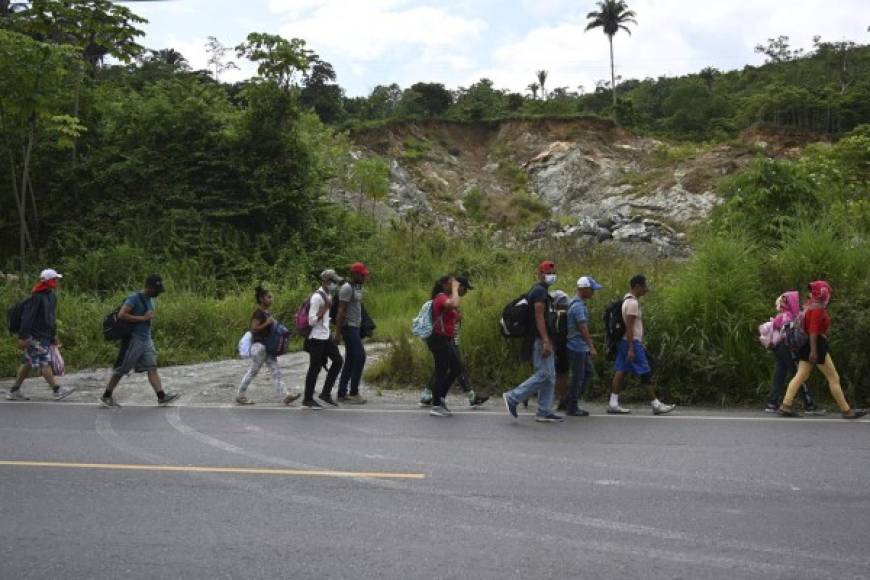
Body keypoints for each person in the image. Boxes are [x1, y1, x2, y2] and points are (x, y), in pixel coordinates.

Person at [778, 281, 866, 420]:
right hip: (815, 345)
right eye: (827, 292)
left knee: (801, 376)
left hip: (806, 345)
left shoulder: (809, 305)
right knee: (833, 377)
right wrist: (814, 351)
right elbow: (813, 330)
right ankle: (847, 411)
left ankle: (785, 406)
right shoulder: (817, 308)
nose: (829, 295)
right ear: (824, 293)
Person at [99, 274, 180, 408]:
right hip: (133, 340)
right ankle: (106, 395)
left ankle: (161, 396)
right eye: (156, 290)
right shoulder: (134, 298)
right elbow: (122, 315)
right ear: (149, 287)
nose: (158, 293)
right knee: (121, 369)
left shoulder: (150, 299)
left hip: (146, 340)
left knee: (152, 367)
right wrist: (143, 318)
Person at [502, 261, 564, 423]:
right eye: (548, 273)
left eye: (553, 272)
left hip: (544, 338)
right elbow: (539, 317)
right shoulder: (538, 292)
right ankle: (513, 397)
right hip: (538, 338)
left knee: (550, 376)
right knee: (544, 374)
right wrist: (545, 340)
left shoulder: (543, 291)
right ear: (540, 274)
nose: (551, 275)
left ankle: (544, 411)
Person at [607, 274, 675, 415]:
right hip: (631, 343)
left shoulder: (626, 301)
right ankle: (656, 404)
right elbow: (630, 327)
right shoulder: (632, 303)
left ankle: (613, 403)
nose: (646, 289)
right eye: (645, 286)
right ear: (637, 286)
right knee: (645, 371)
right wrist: (632, 347)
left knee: (621, 371)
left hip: (624, 342)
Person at [418, 276, 489, 408]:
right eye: (453, 284)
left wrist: (456, 317)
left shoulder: (446, 297)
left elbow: (449, 316)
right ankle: (437, 403)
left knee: (454, 368)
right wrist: (455, 289)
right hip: (439, 339)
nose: (463, 290)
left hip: (445, 339)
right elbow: (454, 304)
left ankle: (438, 399)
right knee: (442, 372)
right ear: (446, 285)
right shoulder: (441, 297)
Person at [6, 268, 75, 401]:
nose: (56, 282)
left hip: (45, 335)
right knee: (45, 363)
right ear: (48, 281)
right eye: (54, 279)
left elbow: (51, 318)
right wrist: (23, 337)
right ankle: (57, 390)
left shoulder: (51, 297)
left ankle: (14, 391)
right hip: (34, 337)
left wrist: (53, 334)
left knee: (28, 362)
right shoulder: (36, 297)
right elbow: (27, 318)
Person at [235, 285, 301, 406]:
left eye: (271, 297)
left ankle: (286, 396)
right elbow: (253, 329)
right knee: (253, 371)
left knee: (276, 371)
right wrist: (266, 323)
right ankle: (240, 395)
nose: (271, 299)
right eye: (268, 297)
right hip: (259, 347)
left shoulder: (266, 313)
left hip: (267, 348)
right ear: (261, 299)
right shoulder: (259, 313)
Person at [763, 291, 820, 414]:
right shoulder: (789, 317)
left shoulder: (781, 315)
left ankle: (772, 403)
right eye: (796, 300)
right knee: (798, 374)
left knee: (780, 374)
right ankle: (808, 404)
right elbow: (791, 336)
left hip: (777, 348)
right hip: (787, 348)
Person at [302, 270, 345, 410]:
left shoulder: (328, 295)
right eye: (333, 282)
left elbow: (326, 319)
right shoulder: (317, 297)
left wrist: (330, 331)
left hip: (325, 337)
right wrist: (325, 308)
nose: (335, 285)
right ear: (325, 281)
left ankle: (325, 393)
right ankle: (307, 399)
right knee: (315, 368)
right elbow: (311, 320)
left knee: (338, 361)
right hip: (315, 338)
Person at [562, 276, 602, 417]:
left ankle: (568, 401)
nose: (593, 292)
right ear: (584, 289)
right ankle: (572, 407)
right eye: (592, 289)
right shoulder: (578, 306)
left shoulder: (575, 302)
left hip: (578, 346)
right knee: (578, 377)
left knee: (587, 373)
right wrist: (591, 346)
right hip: (577, 347)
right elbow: (583, 328)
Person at [334, 262, 369, 404]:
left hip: (355, 327)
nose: (364, 277)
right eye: (362, 275)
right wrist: (337, 333)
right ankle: (354, 392)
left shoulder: (357, 287)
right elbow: (341, 311)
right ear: (354, 274)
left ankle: (342, 393)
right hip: (348, 327)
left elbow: (357, 308)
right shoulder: (347, 289)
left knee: (350, 359)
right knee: (360, 356)